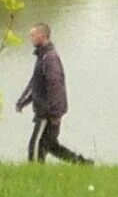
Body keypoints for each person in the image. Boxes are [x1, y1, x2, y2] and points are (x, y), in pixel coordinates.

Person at [17, 24, 87, 163]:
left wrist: (54, 114)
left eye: (33, 35)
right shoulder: (42, 57)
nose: (30, 38)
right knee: (50, 145)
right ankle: (82, 163)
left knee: (35, 146)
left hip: (47, 113)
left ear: (42, 36)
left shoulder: (50, 58)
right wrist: (22, 102)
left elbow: (56, 87)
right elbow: (35, 85)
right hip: (46, 111)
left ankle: (34, 173)